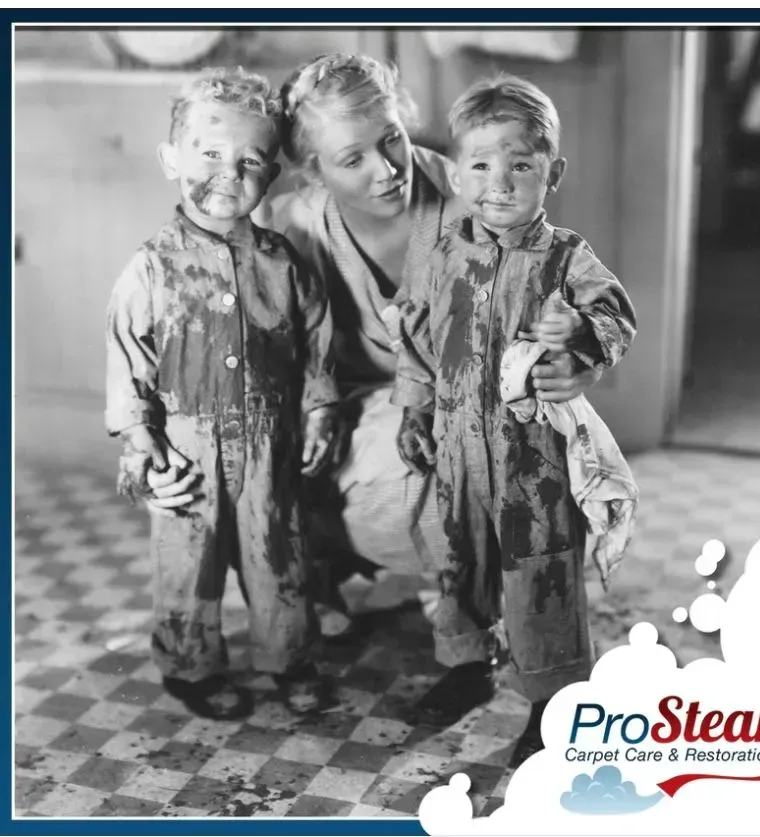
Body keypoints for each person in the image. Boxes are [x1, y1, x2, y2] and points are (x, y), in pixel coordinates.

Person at [249, 53, 606, 639]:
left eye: (392, 139)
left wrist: (580, 360)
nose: (388, 170)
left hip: (474, 402)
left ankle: (489, 617)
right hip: (358, 409)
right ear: (313, 170)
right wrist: (317, 408)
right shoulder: (296, 227)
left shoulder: (471, 194)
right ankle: (338, 566)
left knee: (506, 486)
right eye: (352, 159)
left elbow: (553, 299)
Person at [391, 75, 637, 766]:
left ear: (550, 172)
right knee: (456, 558)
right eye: (479, 164)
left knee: (541, 574)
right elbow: (410, 337)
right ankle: (467, 660)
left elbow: (614, 317)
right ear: (456, 170)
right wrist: (412, 406)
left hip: (533, 458)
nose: (497, 183)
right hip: (454, 446)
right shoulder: (439, 253)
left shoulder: (566, 257)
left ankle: (553, 699)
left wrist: (580, 334)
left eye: (519, 165)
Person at [105, 67, 339, 721]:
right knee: (188, 563)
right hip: (185, 442)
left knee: (277, 556)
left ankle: (289, 657)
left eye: (250, 160)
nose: (227, 173)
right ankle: (189, 665)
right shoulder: (149, 268)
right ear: (171, 158)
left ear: (273, 175)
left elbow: (316, 341)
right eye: (209, 153)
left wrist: (320, 407)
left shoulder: (284, 263)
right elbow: (128, 359)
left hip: (270, 442)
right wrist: (141, 437)